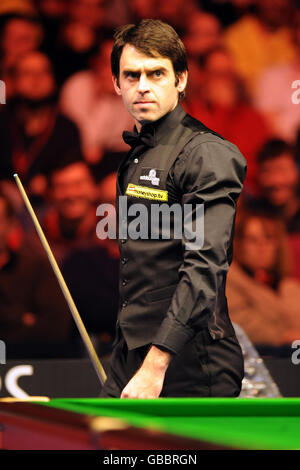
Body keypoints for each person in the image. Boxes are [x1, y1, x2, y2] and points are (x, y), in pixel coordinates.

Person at [100, 19, 247, 399]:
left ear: (181, 79)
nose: (143, 86)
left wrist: (156, 363)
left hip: (192, 366)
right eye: (131, 76)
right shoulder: (135, 157)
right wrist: (129, 355)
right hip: (131, 357)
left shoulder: (207, 153)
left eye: (157, 73)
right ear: (116, 84)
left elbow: (205, 266)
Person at [226, 211, 300, 351]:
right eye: (252, 240)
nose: (262, 246)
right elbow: (240, 323)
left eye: (268, 238)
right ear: (239, 244)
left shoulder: (289, 287)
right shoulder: (228, 282)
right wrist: (281, 336)